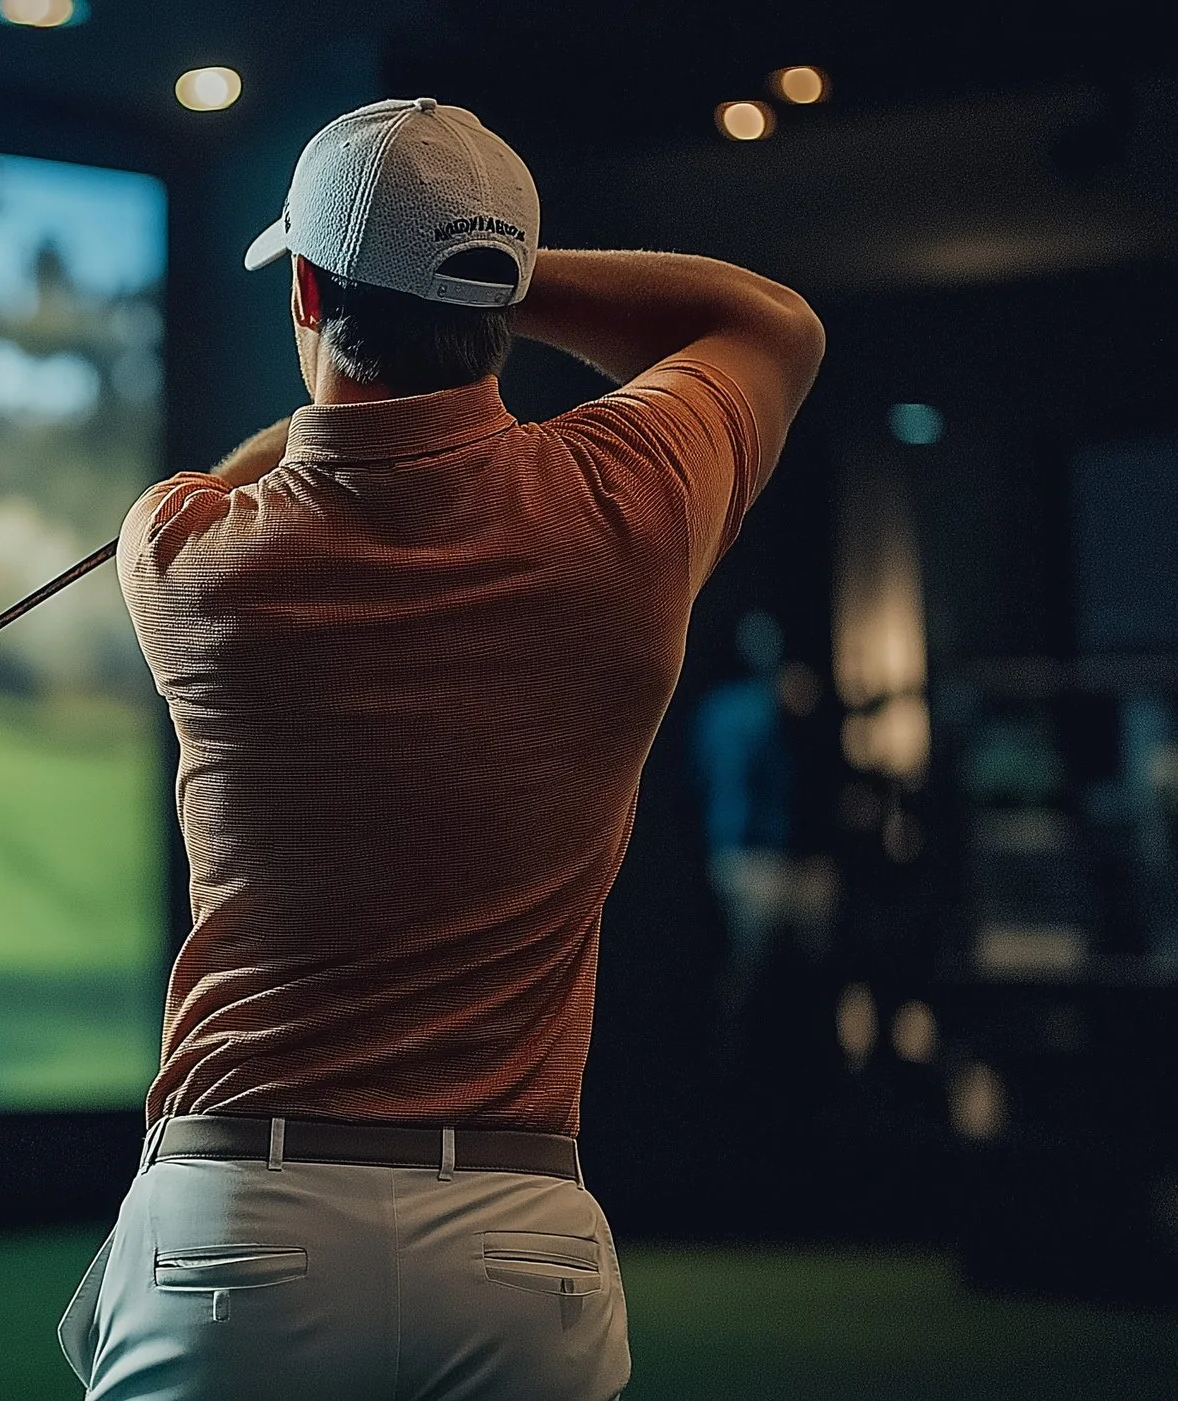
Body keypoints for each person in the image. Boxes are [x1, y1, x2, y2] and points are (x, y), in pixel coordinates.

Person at [57, 98, 824, 1400]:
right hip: (520, 1245)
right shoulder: (628, 501)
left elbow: (255, 468)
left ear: (305, 287)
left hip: (244, 1225)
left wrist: (412, 287)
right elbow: (771, 325)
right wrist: (499, 270)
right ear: (500, 296)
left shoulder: (185, 553)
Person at [692, 610, 797, 1031]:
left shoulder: (710, 710)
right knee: (756, 969)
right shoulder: (763, 707)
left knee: (738, 961)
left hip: (719, 848)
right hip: (755, 852)